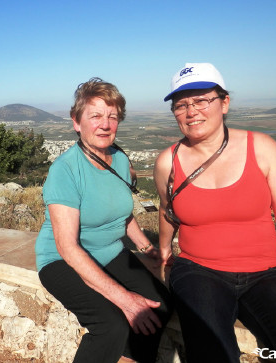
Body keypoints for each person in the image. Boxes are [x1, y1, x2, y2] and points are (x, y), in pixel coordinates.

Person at [154, 63, 276, 363]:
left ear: (224, 103)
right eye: (181, 105)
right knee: (213, 354)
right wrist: (162, 252)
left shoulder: (262, 148)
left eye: (201, 100)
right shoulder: (167, 162)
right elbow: (168, 209)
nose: (191, 111)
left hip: (267, 271)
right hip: (198, 269)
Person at [35, 77, 173, 363]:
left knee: (157, 306)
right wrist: (124, 299)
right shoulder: (66, 170)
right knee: (111, 326)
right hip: (61, 260)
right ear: (77, 122)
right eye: (95, 115)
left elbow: (122, 214)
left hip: (110, 251)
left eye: (112, 116)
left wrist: (147, 248)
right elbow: (67, 247)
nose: (105, 124)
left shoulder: (120, 159)